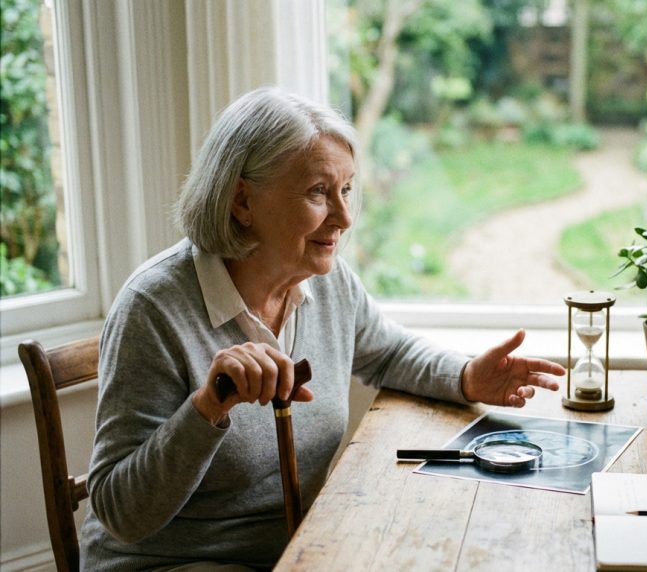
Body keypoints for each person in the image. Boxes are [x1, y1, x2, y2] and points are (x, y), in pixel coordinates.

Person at [81, 87, 566, 571]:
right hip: (169, 562)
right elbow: (121, 512)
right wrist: (209, 406)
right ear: (242, 201)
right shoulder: (153, 307)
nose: (344, 217)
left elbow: (389, 353)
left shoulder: (325, 283)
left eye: (347, 189)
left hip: (298, 550)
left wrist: (465, 378)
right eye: (318, 192)